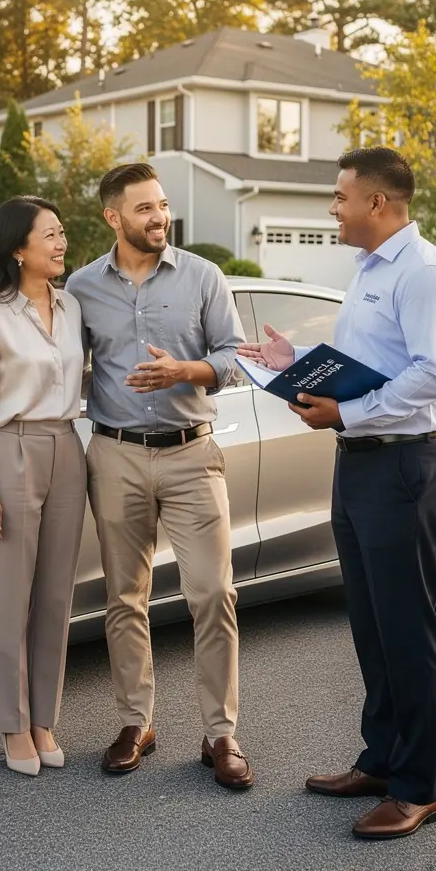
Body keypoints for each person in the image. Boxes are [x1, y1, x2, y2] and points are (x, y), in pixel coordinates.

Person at [239, 147, 436, 838]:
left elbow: (435, 376)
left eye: (340, 197)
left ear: (378, 203)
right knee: (371, 626)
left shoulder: (426, 273)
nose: (332, 209)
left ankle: (416, 787)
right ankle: (380, 760)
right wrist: (296, 370)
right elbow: (375, 370)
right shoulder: (372, 271)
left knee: (407, 630)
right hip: (361, 465)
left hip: (405, 467)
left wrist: (347, 413)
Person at [65, 162, 253, 790]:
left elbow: (236, 359)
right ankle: (134, 722)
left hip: (192, 454)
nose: (159, 218)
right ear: (112, 217)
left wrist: (184, 372)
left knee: (214, 594)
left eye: (163, 205)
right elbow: (63, 364)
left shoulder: (203, 276)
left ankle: (220, 734)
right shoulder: (82, 288)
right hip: (115, 455)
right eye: (144, 208)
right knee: (125, 597)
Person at [0, 196, 87, 777]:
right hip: (10, 451)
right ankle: (12, 726)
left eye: (62, 233)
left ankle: (43, 719)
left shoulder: (73, 307)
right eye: (50, 235)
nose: (61, 243)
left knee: (57, 596)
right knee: (10, 597)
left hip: (67, 447)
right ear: (17, 248)